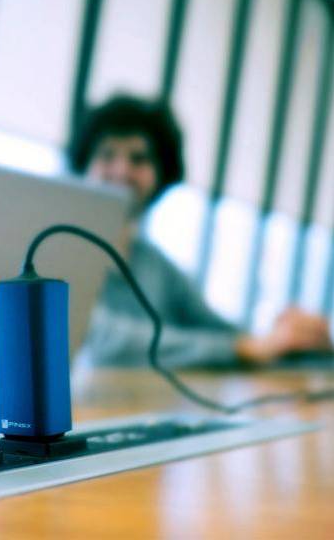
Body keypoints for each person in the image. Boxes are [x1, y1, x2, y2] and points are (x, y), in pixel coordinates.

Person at [69, 95, 331, 368]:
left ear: (160, 174)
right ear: (84, 164)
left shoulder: (158, 267)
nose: (122, 170)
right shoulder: (60, 250)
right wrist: (245, 348)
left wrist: (291, 340)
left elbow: (224, 333)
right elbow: (98, 339)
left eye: (139, 159)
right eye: (106, 155)